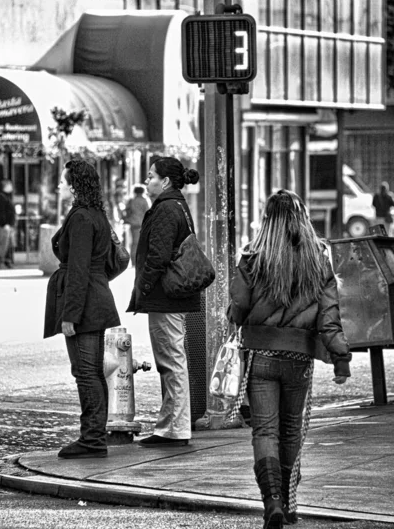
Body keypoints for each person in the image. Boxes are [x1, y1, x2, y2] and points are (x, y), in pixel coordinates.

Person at [227, 189, 351, 529]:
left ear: (267, 220)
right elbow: (329, 314)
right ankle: (288, 501)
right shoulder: (318, 258)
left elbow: (238, 305)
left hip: (262, 356)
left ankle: (274, 504)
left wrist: (235, 315)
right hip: (299, 358)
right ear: (302, 218)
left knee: (265, 431)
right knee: (292, 431)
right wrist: (340, 359)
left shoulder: (253, 256)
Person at [44, 159, 120, 459]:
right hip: (95, 298)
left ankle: (91, 439)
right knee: (91, 372)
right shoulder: (95, 214)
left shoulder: (81, 218)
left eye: (63, 181)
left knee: (85, 372)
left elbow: (77, 270)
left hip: (86, 304)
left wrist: (69, 316)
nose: (59, 186)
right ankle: (93, 436)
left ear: (74, 186)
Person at [126, 156, 200, 448]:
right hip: (167, 297)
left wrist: (144, 287)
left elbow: (158, 255)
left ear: (165, 181)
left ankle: (175, 429)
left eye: (151, 176)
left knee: (171, 362)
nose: (147, 181)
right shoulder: (175, 204)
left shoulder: (166, 208)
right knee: (170, 361)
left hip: (163, 297)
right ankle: (170, 426)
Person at [123, 184, 149, 266]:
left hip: (133, 224)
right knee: (142, 243)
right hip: (142, 224)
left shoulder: (131, 201)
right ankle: (140, 260)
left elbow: (126, 211)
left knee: (134, 243)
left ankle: (133, 260)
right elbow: (148, 212)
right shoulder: (145, 201)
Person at [0, 179, 16, 269]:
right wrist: (5, 224)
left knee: (6, 245)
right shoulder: (1, 197)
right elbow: (1, 212)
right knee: (3, 244)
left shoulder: (4, 196)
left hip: (6, 226)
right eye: (9, 185)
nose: (11, 186)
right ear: (5, 186)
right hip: (3, 226)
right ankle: (0, 262)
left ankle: (5, 262)